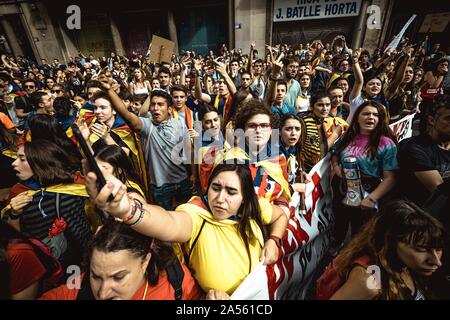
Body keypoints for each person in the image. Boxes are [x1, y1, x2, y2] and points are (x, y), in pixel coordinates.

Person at [84, 163, 287, 296]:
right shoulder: (195, 214)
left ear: (245, 198)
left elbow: (280, 216)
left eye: (231, 192)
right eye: (215, 188)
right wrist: (126, 209)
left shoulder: (255, 208)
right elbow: (168, 222)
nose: (220, 198)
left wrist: (274, 240)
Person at [39, 219, 202, 300]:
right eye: (95, 276)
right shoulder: (79, 288)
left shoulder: (176, 281)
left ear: (145, 262)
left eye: (118, 277)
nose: (102, 294)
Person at [316, 199, 444, 300]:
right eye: (421, 249)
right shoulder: (369, 281)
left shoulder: (405, 264)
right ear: (389, 241)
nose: (437, 262)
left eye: (438, 249)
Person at [1, 140, 92, 269]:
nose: (14, 163)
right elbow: (14, 239)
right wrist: (14, 214)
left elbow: (81, 236)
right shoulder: (19, 189)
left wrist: (85, 267)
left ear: (40, 162)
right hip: (33, 263)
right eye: (16, 158)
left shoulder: (64, 195)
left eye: (22, 159)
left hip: (64, 265)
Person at [331, 101, 398, 237]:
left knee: (361, 235)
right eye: (366, 114)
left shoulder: (386, 143)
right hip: (342, 189)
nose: (371, 117)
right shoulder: (348, 136)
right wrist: (336, 167)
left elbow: (390, 178)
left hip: (368, 192)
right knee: (339, 227)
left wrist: (372, 199)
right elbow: (335, 154)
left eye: (375, 115)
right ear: (357, 117)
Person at [398, 93, 450, 207]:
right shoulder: (414, 148)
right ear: (432, 120)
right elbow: (440, 193)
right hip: (419, 216)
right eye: (448, 119)